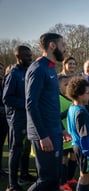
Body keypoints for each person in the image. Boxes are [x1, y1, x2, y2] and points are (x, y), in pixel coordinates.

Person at [25, 32, 71, 190]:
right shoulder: (38, 69)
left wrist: (62, 129)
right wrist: (42, 135)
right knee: (46, 179)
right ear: (52, 45)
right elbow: (31, 105)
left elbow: (51, 105)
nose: (64, 49)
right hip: (44, 134)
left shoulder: (51, 68)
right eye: (62, 45)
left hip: (55, 131)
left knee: (55, 178)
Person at [2, 45, 36, 190]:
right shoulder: (13, 74)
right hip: (16, 119)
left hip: (28, 118)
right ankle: (12, 184)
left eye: (30, 55)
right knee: (15, 150)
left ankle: (24, 174)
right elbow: (7, 98)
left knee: (26, 148)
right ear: (19, 57)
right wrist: (27, 104)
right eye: (27, 56)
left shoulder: (28, 71)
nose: (30, 57)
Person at [66, 76, 89, 191]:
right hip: (85, 149)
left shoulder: (72, 107)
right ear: (79, 95)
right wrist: (88, 154)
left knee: (83, 174)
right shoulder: (81, 112)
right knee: (85, 177)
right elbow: (84, 135)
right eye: (87, 93)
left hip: (78, 147)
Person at [58, 75, 77, 191]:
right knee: (63, 158)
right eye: (65, 84)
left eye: (70, 84)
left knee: (74, 157)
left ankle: (70, 178)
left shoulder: (73, 98)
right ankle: (62, 182)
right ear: (58, 86)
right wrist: (69, 111)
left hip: (73, 133)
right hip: (64, 134)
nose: (68, 86)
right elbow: (56, 117)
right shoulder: (57, 99)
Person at [0, 62, 9, 178]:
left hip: (4, 119)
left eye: (2, 69)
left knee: (1, 144)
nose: (1, 71)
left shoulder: (4, 83)